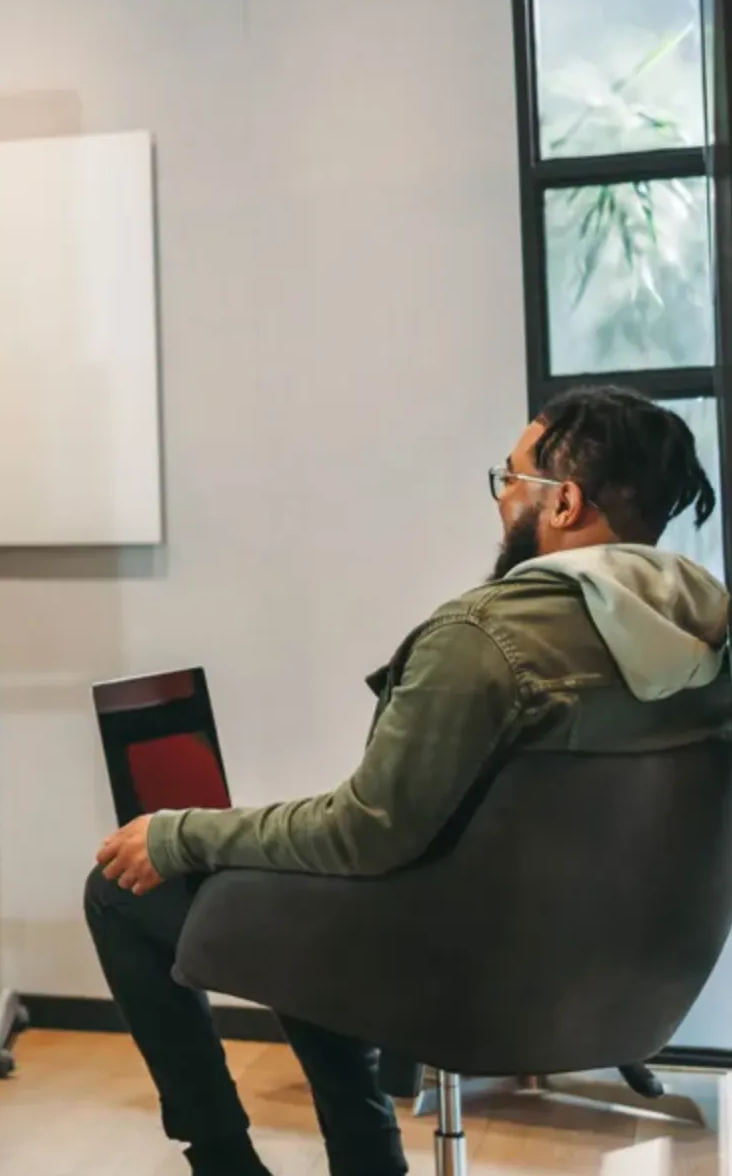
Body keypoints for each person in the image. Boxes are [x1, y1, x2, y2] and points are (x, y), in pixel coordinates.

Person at [87, 386, 732, 1176]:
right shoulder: (708, 637)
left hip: (465, 974)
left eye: (511, 479)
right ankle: (367, 1161)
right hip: (626, 980)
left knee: (123, 889)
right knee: (294, 895)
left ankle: (226, 1162)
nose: (501, 500)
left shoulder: (486, 636)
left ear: (564, 503)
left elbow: (365, 832)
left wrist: (177, 832)